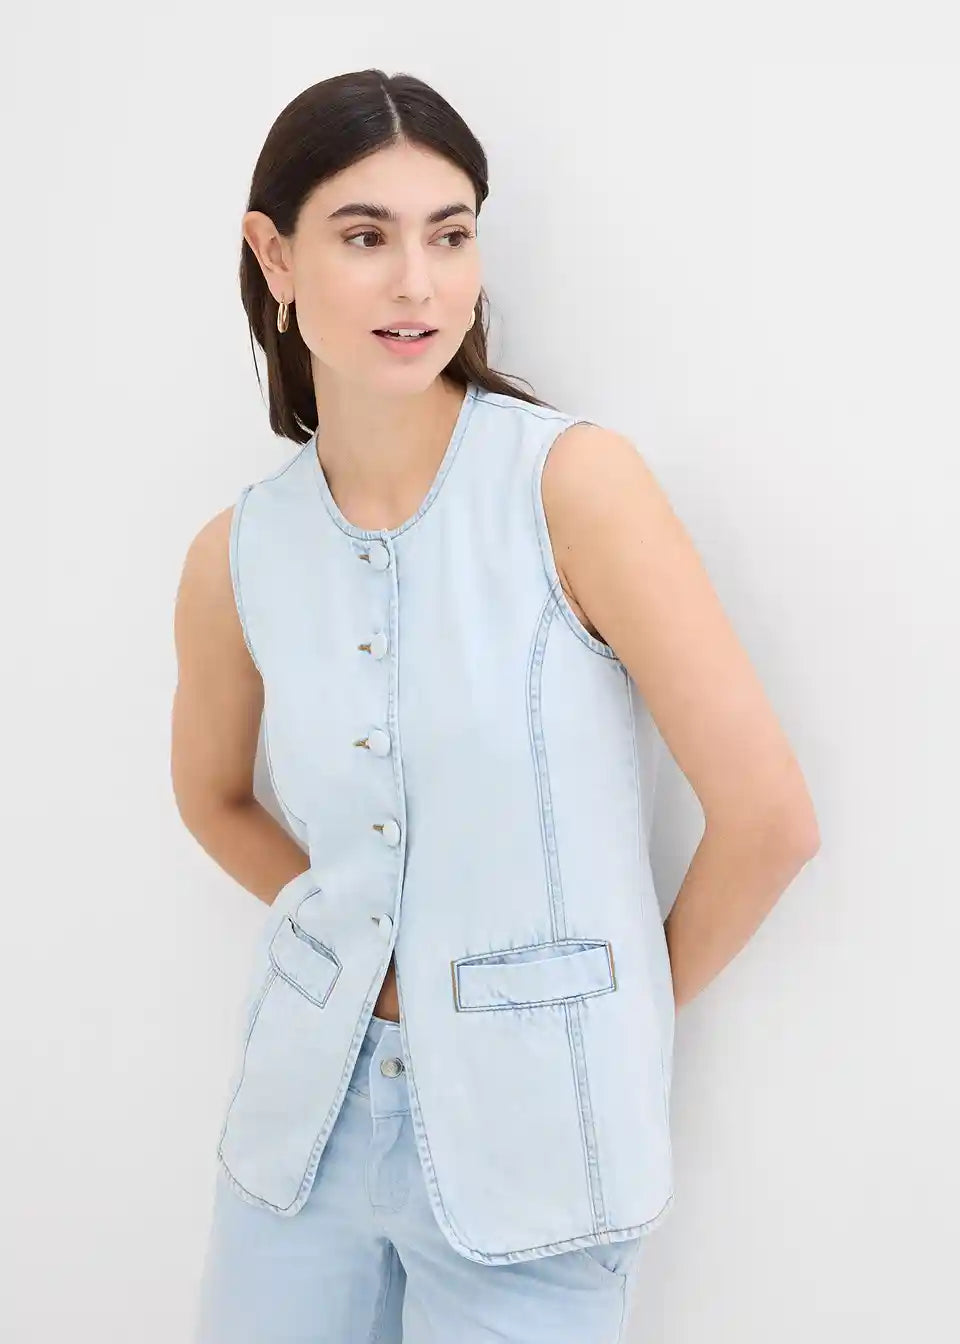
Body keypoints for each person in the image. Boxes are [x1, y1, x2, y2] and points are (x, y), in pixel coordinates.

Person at [172, 68, 820, 1344]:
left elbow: (770, 822)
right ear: (275, 254)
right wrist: (368, 954)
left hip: (543, 1157)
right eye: (366, 236)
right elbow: (212, 799)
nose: (418, 284)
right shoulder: (236, 552)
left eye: (451, 233)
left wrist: (599, 1022)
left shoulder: (574, 486)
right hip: (298, 1139)